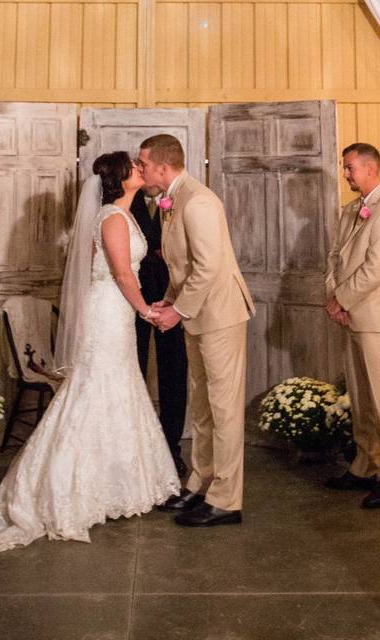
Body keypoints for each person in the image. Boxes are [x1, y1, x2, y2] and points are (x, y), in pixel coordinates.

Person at [0, 153, 180, 553]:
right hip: (109, 308)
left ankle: (115, 485)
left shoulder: (126, 213)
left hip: (116, 309)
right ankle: (69, 489)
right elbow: (120, 273)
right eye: (133, 166)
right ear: (120, 177)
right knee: (95, 387)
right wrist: (145, 309)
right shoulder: (112, 218)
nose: (140, 168)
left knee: (118, 385)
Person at [138, 134, 255, 528]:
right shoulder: (172, 200)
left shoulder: (199, 200)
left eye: (144, 165)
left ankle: (226, 500)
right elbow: (181, 267)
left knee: (223, 410)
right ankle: (199, 483)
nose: (141, 171)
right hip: (197, 316)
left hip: (220, 316)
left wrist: (177, 311)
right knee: (202, 406)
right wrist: (170, 302)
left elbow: (209, 266)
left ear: (163, 167)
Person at [322, 143, 380, 509]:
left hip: (376, 319)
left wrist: (342, 298)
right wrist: (334, 294)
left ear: (371, 168)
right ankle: (364, 464)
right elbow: (334, 257)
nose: (346, 173)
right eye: (345, 167)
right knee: (360, 399)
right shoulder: (351, 210)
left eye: (350, 167)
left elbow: (376, 270)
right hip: (351, 315)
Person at [129, 185, 188, 477]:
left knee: (174, 371)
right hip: (131, 299)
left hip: (171, 297)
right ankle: (134, 445)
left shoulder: (179, 199)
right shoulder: (126, 199)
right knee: (132, 368)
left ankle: (171, 445)